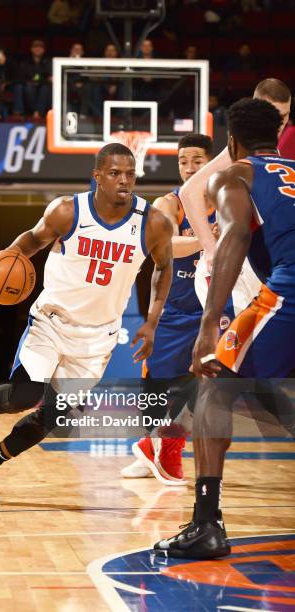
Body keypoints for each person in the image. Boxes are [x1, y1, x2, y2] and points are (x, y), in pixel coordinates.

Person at [0, 143, 174, 503]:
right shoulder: (68, 211)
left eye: (130, 173)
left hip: (98, 336)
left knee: (53, 417)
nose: (124, 180)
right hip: (51, 321)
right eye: (114, 173)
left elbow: (163, 266)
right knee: (25, 394)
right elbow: (32, 241)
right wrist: (7, 256)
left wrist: (152, 320)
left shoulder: (153, 222)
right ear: (97, 176)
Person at [154, 97, 295, 559]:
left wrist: (210, 324)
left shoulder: (234, 175)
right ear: (276, 138)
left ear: (231, 142)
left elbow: (232, 237)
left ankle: (205, 524)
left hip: (286, 294)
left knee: (213, 384)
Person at [121, 134, 217, 484]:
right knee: (157, 388)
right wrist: (209, 239)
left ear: (213, 161)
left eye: (196, 160)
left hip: (214, 309)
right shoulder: (170, 203)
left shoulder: (228, 201)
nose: (189, 167)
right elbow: (163, 245)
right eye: (182, 161)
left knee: (208, 387)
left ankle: (166, 448)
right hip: (173, 311)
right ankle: (151, 445)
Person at [178, 78, 291, 265]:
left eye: (284, 115)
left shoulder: (272, 150)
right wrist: (210, 249)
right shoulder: (243, 146)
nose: (279, 123)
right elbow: (189, 192)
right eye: (273, 114)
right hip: (240, 263)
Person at [16, 40, 52, 120]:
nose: (38, 49)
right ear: (31, 49)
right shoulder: (25, 62)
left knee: (45, 88)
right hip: (29, 85)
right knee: (28, 88)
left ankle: (38, 113)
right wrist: (30, 82)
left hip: (43, 85)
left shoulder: (47, 62)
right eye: (35, 47)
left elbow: (49, 77)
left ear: (43, 50)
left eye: (40, 47)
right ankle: (34, 111)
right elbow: (21, 77)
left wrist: (41, 81)